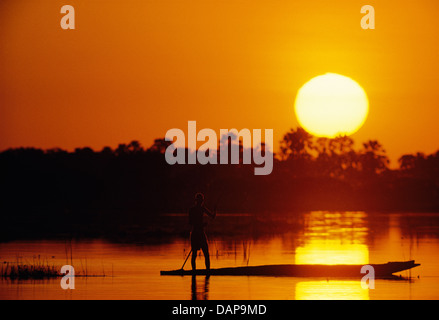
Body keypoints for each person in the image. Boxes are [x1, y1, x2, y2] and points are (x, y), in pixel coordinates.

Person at [189, 192, 216, 272]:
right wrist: (201, 225)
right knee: (194, 254)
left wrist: (214, 212)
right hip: (195, 234)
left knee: (206, 254)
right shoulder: (192, 210)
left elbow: (212, 216)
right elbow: (190, 222)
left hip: (201, 233)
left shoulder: (202, 208)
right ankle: (194, 271)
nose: (200, 202)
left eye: (201, 201)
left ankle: (208, 271)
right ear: (196, 200)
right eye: (199, 201)